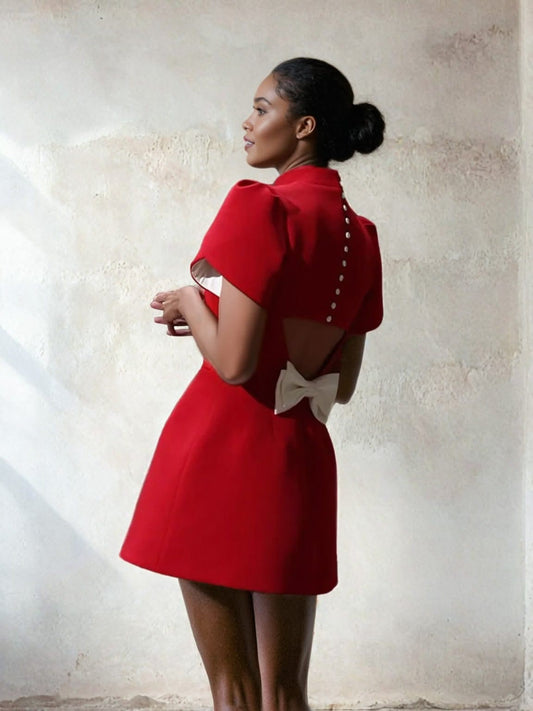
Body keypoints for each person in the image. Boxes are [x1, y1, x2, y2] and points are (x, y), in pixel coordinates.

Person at [120, 57, 385, 711]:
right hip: (297, 458)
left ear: (304, 126)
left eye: (262, 108)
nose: (247, 122)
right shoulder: (361, 236)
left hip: (220, 451)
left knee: (231, 690)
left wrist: (191, 300)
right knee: (285, 692)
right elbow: (340, 383)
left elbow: (235, 365)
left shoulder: (258, 206)